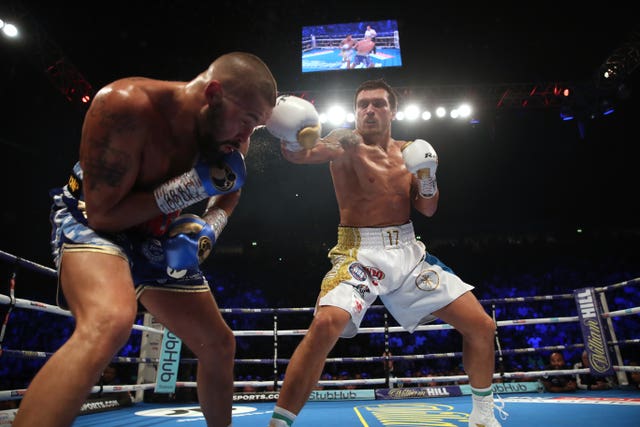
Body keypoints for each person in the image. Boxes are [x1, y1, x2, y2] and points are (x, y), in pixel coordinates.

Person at [12, 51, 277, 427]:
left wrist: (210, 225)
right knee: (111, 320)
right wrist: (186, 190)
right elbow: (105, 213)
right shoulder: (126, 106)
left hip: (155, 232)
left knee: (218, 345)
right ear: (213, 94)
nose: (246, 138)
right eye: (247, 122)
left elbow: (231, 183)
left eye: (255, 128)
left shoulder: (228, 133)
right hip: (93, 219)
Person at [266, 79, 506, 427]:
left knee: (482, 326)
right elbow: (302, 154)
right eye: (363, 104)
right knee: (326, 323)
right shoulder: (345, 141)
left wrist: (427, 177)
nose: (369, 110)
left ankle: (482, 418)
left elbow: (427, 210)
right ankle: (279, 424)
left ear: (392, 110)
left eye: (378, 104)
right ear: (355, 111)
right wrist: (291, 135)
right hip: (359, 253)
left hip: (408, 254)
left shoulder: (411, 150)